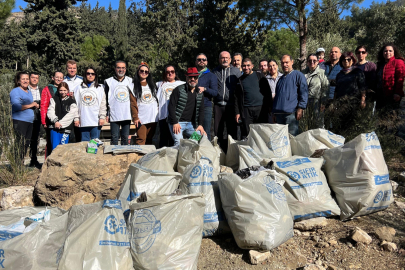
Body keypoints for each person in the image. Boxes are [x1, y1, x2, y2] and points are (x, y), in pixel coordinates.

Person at [328, 52, 367, 134]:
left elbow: (362, 87)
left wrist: (363, 99)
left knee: (352, 125)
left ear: (352, 60)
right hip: (341, 103)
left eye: (348, 59)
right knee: (341, 124)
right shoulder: (339, 74)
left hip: (353, 103)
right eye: (344, 60)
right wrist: (334, 103)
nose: (346, 61)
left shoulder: (357, 72)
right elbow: (336, 89)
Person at [167, 67, 206, 146]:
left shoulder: (199, 93)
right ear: (186, 78)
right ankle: (178, 158)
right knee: (179, 144)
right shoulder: (178, 90)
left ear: (197, 78)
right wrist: (175, 122)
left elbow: (201, 110)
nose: (192, 79)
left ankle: (189, 151)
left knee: (202, 137)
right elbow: (171, 107)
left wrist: (200, 125)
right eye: (190, 77)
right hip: (178, 123)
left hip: (191, 124)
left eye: (195, 77)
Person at [235, 58, 272, 137]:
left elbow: (268, 92)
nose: (246, 67)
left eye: (248, 65)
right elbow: (237, 98)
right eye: (244, 66)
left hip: (261, 109)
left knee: (261, 133)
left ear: (252, 66)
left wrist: (269, 107)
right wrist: (237, 112)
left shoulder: (259, 75)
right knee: (248, 134)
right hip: (246, 110)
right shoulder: (240, 80)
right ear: (241, 67)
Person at [272, 55, 308, 136]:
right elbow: (277, 97)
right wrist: (274, 112)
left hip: (291, 114)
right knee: (280, 139)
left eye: (287, 62)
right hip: (279, 115)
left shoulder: (298, 75)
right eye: (282, 63)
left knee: (291, 138)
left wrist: (301, 108)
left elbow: (304, 92)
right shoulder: (280, 79)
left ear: (292, 62)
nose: (285, 65)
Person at [213, 51, 242, 151]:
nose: (224, 59)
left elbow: (240, 89)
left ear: (230, 60)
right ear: (219, 59)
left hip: (231, 105)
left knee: (232, 130)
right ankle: (219, 151)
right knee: (218, 130)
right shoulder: (215, 71)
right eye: (222, 58)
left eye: (227, 58)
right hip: (218, 105)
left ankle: (232, 153)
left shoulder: (236, 72)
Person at [10, 72, 38, 162]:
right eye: (23, 79)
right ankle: (17, 165)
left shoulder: (28, 92)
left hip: (29, 122)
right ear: (18, 81)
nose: (25, 81)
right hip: (20, 120)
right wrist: (31, 105)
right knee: (20, 143)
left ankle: (21, 163)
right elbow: (16, 106)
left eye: (27, 79)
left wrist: (34, 106)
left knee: (26, 143)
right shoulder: (16, 91)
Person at [104, 61, 133, 145]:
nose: (121, 70)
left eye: (123, 68)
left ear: (125, 69)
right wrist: (106, 113)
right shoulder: (108, 81)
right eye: (119, 67)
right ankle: (114, 157)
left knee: (125, 138)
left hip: (126, 114)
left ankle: (124, 157)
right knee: (114, 138)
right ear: (115, 69)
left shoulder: (130, 81)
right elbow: (105, 99)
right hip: (114, 114)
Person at [73, 67, 107, 141]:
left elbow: (103, 104)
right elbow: (75, 105)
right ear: (85, 75)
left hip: (96, 121)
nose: (90, 75)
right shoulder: (78, 88)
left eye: (92, 74)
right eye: (88, 73)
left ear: (95, 76)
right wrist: (76, 118)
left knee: (94, 144)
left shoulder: (100, 88)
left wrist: (102, 117)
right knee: (84, 144)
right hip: (83, 121)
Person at [129, 62, 158, 145]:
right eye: (142, 71)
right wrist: (135, 117)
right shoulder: (133, 86)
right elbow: (133, 104)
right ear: (138, 72)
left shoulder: (153, 85)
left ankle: (148, 157)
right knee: (141, 139)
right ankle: (139, 157)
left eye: (146, 71)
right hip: (141, 118)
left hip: (153, 117)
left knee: (150, 139)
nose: (144, 73)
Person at [156, 65, 185, 147]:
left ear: (175, 73)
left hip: (176, 117)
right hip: (163, 116)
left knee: (174, 140)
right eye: (168, 72)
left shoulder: (182, 84)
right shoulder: (159, 84)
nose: (170, 73)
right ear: (165, 74)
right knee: (163, 139)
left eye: (172, 71)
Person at [46, 82, 78, 151]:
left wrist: (61, 124)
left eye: (64, 90)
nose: (63, 92)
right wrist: (55, 121)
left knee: (63, 148)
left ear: (68, 91)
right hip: (54, 127)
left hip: (65, 128)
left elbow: (71, 114)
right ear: (58, 90)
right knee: (54, 148)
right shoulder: (54, 99)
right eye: (61, 90)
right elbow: (50, 111)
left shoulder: (71, 101)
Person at [302, 54, 330, 129]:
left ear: (317, 62)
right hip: (304, 103)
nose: (312, 62)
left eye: (314, 60)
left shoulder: (322, 73)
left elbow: (325, 87)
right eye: (310, 61)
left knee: (318, 124)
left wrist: (323, 102)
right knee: (305, 124)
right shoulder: (303, 73)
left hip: (317, 102)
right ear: (307, 62)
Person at [40, 71, 64, 157]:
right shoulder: (47, 89)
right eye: (57, 77)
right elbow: (43, 105)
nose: (59, 79)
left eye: (61, 78)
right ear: (53, 78)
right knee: (50, 142)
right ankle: (48, 163)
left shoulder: (65, 89)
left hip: (63, 120)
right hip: (50, 120)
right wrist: (44, 121)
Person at [195, 53, 218, 140]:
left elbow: (215, 92)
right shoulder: (192, 74)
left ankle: (206, 150)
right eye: (199, 59)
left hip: (205, 106)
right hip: (193, 106)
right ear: (196, 62)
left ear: (207, 62)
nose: (201, 61)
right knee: (195, 130)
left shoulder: (211, 76)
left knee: (205, 130)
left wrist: (205, 89)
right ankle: (196, 151)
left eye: (203, 60)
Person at [375, 44, 405, 109]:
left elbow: (400, 79)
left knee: (390, 117)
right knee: (380, 117)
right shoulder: (380, 64)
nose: (388, 53)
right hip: (380, 95)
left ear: (394, 52)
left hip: (392, 95)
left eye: (390, 51)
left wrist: (397, 93)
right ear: (382, 53)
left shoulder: (398, 62)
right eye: (385, 51)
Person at [63, 60, 83, 143]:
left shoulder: (81, 80)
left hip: (79, 111)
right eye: (70, 68)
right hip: (66, 111)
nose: (72, 70)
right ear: (67, 68)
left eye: (74, 68)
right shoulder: (63, 80)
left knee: (79, 135)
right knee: (68, 135)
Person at [28, 72, 43, 168]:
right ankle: (20, 161)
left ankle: (34, 159)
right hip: (27, 116)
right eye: (33, 77)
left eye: (36, 78)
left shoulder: (41, 90)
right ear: (29, 78)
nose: (34, 79)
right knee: (25, 139)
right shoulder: (25, 90)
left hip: (38, 116)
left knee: (35, 138)